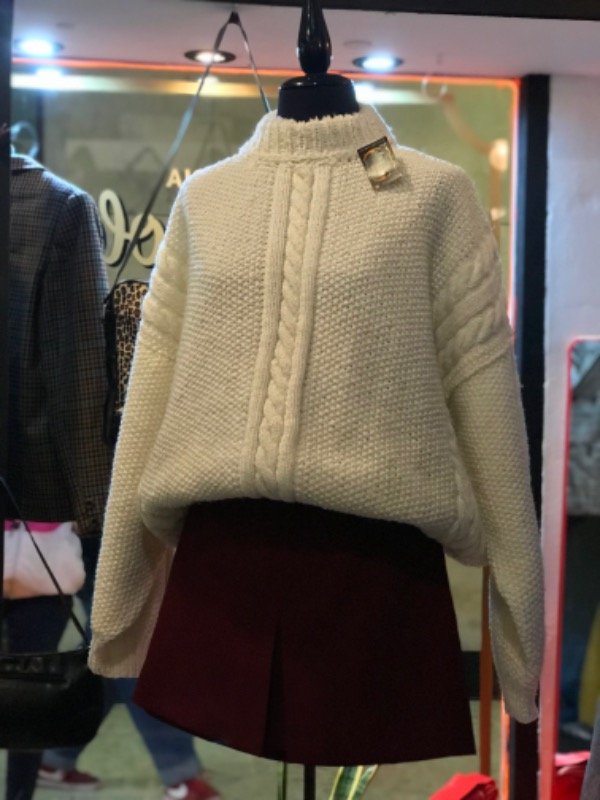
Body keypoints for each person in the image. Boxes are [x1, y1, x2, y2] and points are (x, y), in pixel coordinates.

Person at [39, 537, 220, 800]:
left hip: (105, 539)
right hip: (106, 540)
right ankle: (179, 774)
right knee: (133, 651)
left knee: (106, 664)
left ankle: (53, 759)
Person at [2, 519, 85, 800]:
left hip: (46, 580)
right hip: (43, 573)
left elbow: (91, 510)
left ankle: (20, 795)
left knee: (29, 703)